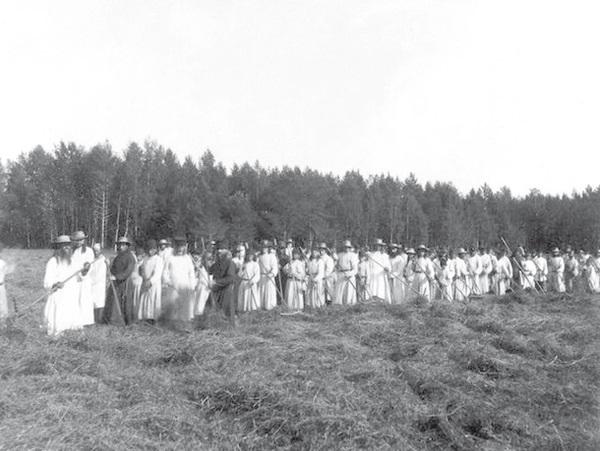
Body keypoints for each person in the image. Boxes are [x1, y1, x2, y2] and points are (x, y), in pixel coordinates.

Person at [44, 235, 84, 335]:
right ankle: (58, 334)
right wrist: (55, 284)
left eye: (68, 245)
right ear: (58, 247)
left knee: (72, 315)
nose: (67, 247)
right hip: (59, 295)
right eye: (64, 245)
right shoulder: (53, 262)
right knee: (59, 317)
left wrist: (85, 270)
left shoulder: (73, 261)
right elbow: (47, 281)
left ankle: (72, 333)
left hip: (71, 295)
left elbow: (79, 277)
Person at [103, 236, 136, 325]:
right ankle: (114, 320)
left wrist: (117, 277)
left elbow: (128, 271)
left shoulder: (130, 258)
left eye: (123, 245)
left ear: (127, 246)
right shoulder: (118, 257)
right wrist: (109, 265)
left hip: (125, 283)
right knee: (113, 301)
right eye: (120, 245)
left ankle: (126, 321)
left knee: (125, 302)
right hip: (116, 283)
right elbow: (113, 269)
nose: (121, 247)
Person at [162, 236, 197, 321]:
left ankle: (185, 322)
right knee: (173, 305)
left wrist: (192, 286)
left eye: (182, 247)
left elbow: (191, 273)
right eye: (178, 247)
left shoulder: (187, 258)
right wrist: (167, 281)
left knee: (185, 305)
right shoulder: (170, 258)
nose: (180, 249)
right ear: (175, 247)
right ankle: (173, 322)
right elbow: (165, 272)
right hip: (173, 286)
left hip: (185, 285)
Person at [71, 231, 95, 327]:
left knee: (85, 299)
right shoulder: (72, 251)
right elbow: (71, 264)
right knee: (75, 299)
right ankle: (75, 321)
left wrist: (84, 273)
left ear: (84, 240)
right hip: (74, 279)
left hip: (84, 279)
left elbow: (90, 264)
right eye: (77, 240)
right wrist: (75, 274)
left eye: (81, 240)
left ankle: (86, 321)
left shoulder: (88, 251)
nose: (79, 242)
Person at [210, 240, 238, 322]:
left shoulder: (230, 263)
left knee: (227, 311)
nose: (219, 251)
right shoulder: (216, 263)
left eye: (221, 249)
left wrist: (216, 282)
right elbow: (210, 271)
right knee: (217, 311)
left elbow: (230, 278)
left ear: (226, 251)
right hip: (217, 291)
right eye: (218, 249)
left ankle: (230, 328)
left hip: (227, 290)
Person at [137, 239, 164, 322]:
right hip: (145, 283)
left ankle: (153, 319)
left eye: (152, 249)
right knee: (145, 302)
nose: (150, 251)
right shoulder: (145, 259)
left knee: (153, 302)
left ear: (155, 250)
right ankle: (144, 318)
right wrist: (142, 275)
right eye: (148, 249)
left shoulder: (158, 259)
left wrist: (150, 281)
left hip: (153, 285)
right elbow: (141, 268)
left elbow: (157, 274)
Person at [334, 240, 359, 306]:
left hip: (349, 274)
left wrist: (350, 274)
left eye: (348, 247)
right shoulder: (339, 255)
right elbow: (336, 266)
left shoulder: (352, 255)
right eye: (345, 247)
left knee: (349, 291)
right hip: (341, 274)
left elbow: (355, 269)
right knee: (339, 291)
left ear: (350, 248)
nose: (346, 248)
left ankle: (349, 304)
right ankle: (339, 304)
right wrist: (336, 264)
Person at [257, 240, 279, 310]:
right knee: (261, 292)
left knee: (269, 292)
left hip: (269, 277)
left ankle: (270, 307)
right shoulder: (259, 257)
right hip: (261, 277)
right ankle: (260, 306)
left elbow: (274, 267)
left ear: (268, 248)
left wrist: (272, 273)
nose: (264, 249)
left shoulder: (272, 256)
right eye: (263, 247)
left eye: (266, 247)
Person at [89, 243, 107, 323]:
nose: (95, 252)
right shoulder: (92, 259)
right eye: (94, 250)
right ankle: (92, 319)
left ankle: (99, 319)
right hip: (92, 284)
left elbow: (99, 274)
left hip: (99, 284)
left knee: (99, 301)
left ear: (101, 250)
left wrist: (91, 281)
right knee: (92, 301)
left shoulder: (102, 260)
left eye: (97, 250)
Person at [126, 246, 145, 321]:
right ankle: (131, 313)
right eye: (137, 255)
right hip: (132, 281)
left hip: (138, 282)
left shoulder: (142, 263)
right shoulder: (134, 262)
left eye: (140, 255)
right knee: (131, 298)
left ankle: (137, 314)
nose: (138, 257)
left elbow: (142, 274)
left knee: (137, 299)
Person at [191, 248, 212, 316]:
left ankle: (199, 314)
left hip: (204, 284)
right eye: (194, 255)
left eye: (198, 255)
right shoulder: (192, 263)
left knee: (201, 299)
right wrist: (195, 269)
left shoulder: (204, 265)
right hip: (195, 284)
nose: (196, 257)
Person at [0, 244, 13, 325]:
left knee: (2, 304)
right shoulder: (3, 263)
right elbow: (8, 270)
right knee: (2, 305)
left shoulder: (2, 263)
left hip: (1, 286)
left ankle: (3, 323)